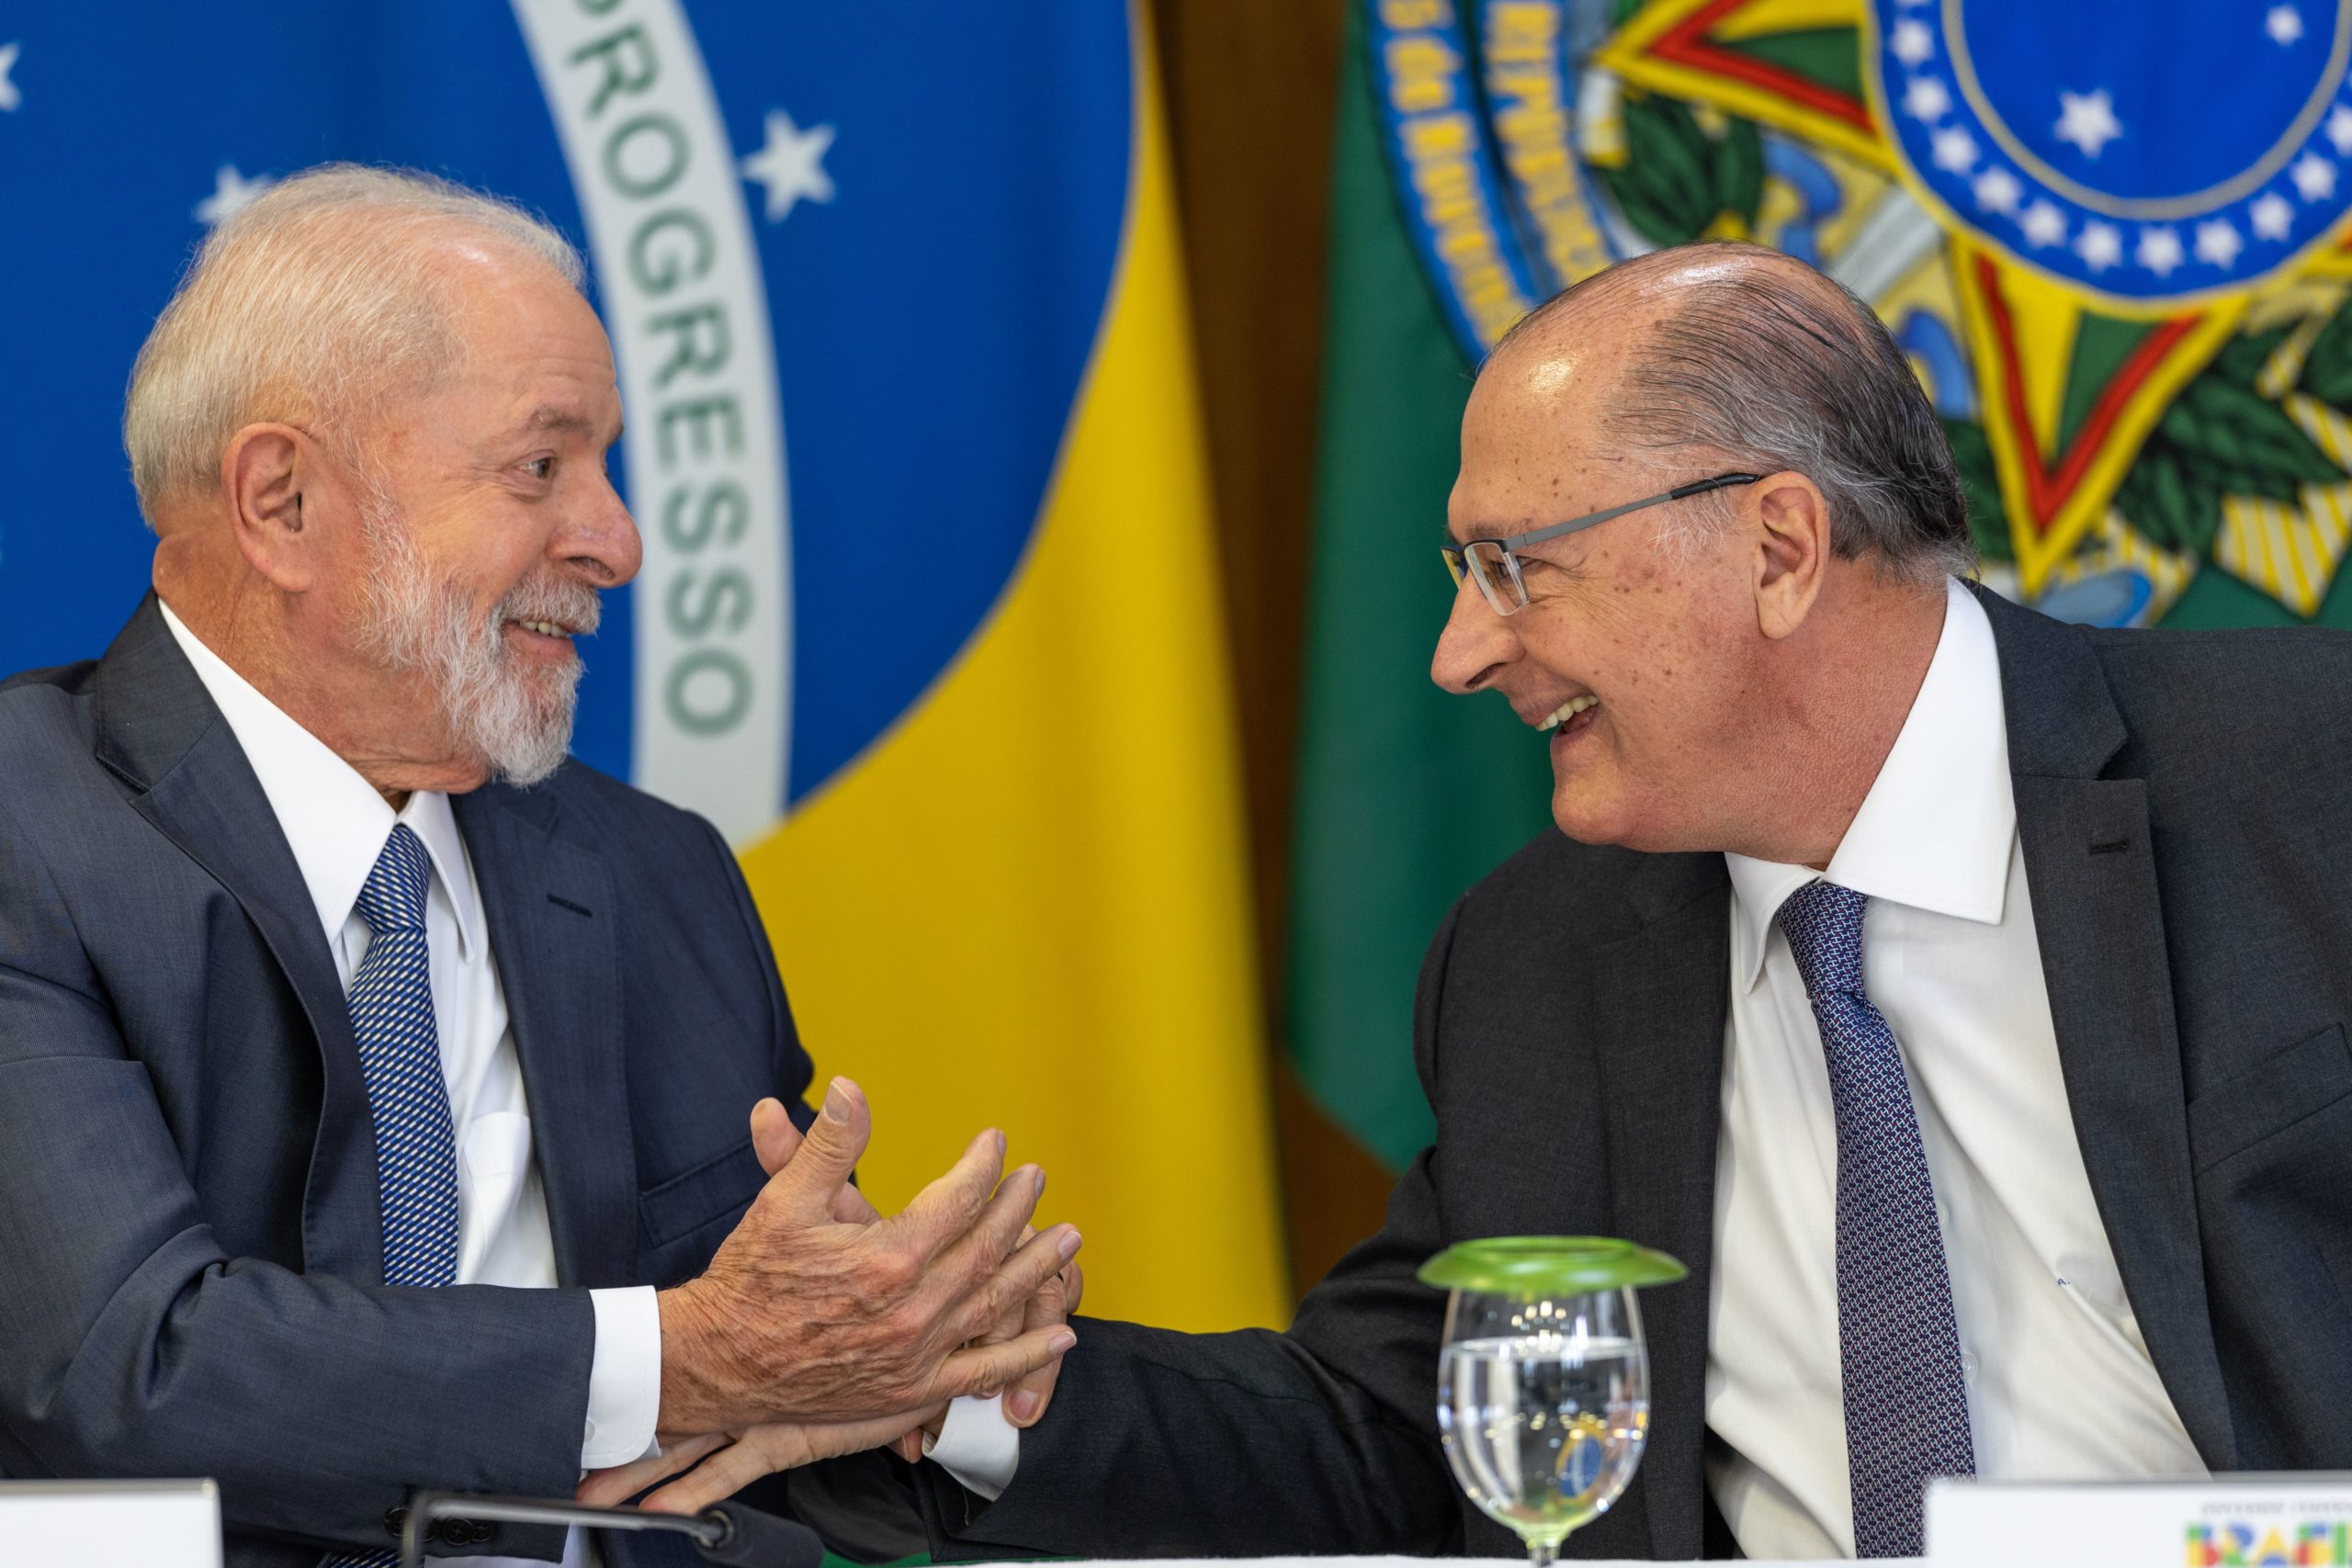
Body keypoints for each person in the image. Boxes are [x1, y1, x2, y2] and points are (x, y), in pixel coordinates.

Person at [640, 242, 2352, 1560]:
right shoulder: (1545, 959)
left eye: (1513, 569)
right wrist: (954, 1376)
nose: (1462, 655)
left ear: (1774, 547)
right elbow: (1401, 1432)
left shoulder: (2303, 789)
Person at [0, 164, 1079, 1568]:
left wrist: (924, 1363)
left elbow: (785, 1395)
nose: (618, 541)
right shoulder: (29, 825)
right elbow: (130, 1367)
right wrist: (676, 1358)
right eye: (540, 468)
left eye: (607, 468)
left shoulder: (653, 874)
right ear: (280, 502)